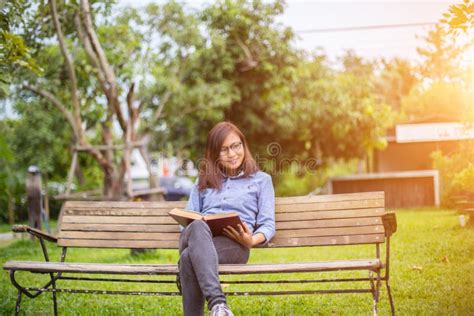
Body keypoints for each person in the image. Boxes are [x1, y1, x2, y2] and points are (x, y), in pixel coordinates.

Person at [179, 121, 275, 316]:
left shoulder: (261, 180)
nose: (232, 154)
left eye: (235, 146)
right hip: (199, 237)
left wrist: (251, 240)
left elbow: (268, 223)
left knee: (188, 258)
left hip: (234, 245)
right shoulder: (203, 180)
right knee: (197, 226)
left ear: (243, 145)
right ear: (215, 154)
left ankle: (217, 306)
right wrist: (196, 224)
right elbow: (188, 223)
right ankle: (219, 305)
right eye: (223, 150)